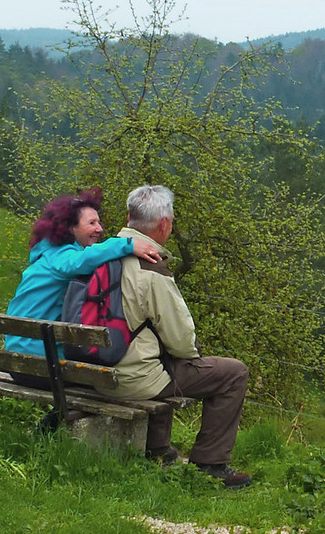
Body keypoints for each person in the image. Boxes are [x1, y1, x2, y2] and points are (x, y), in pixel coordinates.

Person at [107, 185, 251, 489]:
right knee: (232, 372)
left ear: (129, 217)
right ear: (164, 224)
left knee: (157, 355)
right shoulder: (151, 269)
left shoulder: (103, 253)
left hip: (94, 369)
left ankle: (158, 449)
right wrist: (192, 352)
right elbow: (181, 340)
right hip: (130, 378)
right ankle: (210, 463)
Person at [3, 188, 161, 385]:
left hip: (19, 359)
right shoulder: (61, 258)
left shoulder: (47, 253)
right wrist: (127, 245)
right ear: (70, 228)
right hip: (38, 364)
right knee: (116, 378)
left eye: (99, 222)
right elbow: (82, 261)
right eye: (91, 223)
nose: (99, 229)